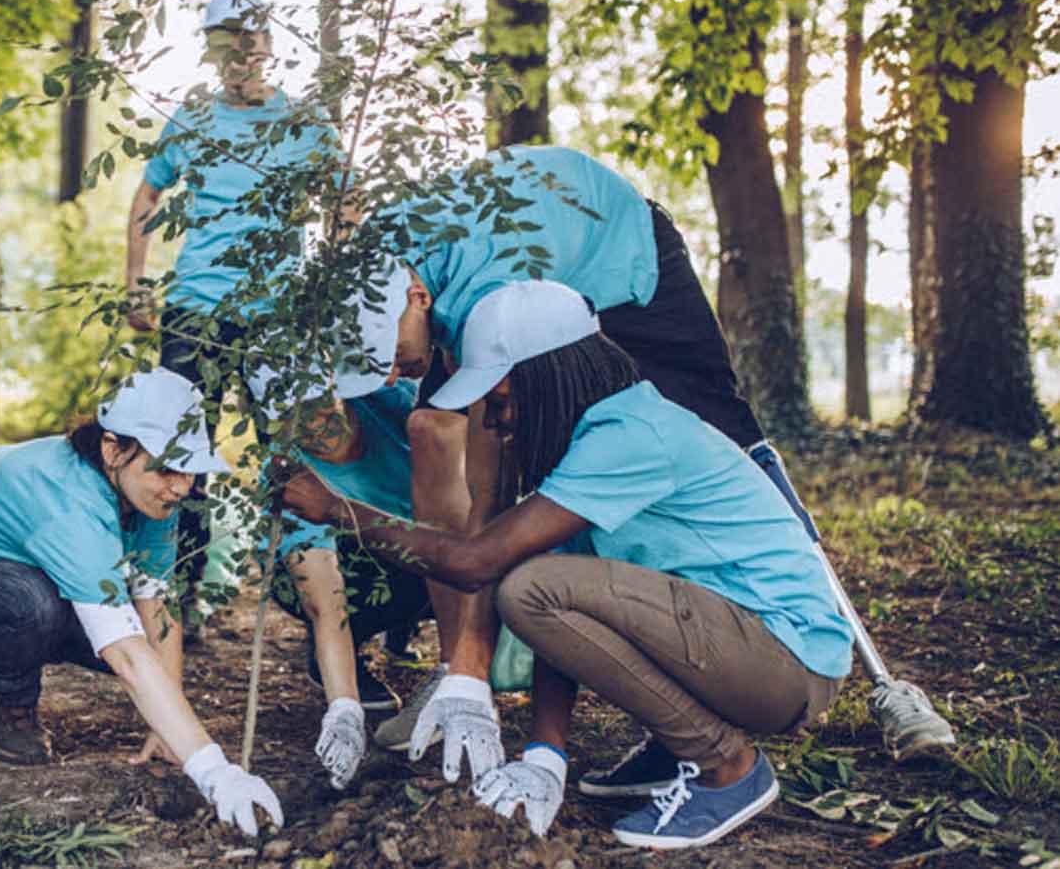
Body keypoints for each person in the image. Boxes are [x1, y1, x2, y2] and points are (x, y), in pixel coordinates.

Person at [338, 144, 952, 771]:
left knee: (719, 424)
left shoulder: (492, 290)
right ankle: (454, 674)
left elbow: (491, 493)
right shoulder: (374, 268)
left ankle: (843, 662)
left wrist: (475, 655)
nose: (389, 372)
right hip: (513, 260)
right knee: (433, 428)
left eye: (388, 355)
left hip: (620, 251)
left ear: (416, 298)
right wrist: (473, 684)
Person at [283, 281, 853, 848]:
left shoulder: (628, 436)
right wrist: (544, 756)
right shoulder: (592, 442)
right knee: (541, 583)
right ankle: (678, 744)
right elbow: (560, 616)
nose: (494, 424)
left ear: (546, 377)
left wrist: (338, 510)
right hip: (745, 651)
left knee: (529, 586)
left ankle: (727, 768)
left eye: (500, 402)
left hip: (785, 663)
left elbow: (478, 564)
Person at [0, 369, 283, 837]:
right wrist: (214, 772)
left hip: (14, 564)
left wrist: (169, 730)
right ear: (113, 449)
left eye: (190, 469)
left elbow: (157, 608)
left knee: (131, 648)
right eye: (168, 467)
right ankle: (9, 708)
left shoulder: (150, 497)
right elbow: (127, 654)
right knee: (34, 604)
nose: (182, 485)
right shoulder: (69, 505)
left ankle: (7, 637)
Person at [125, 0, 343, 628]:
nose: (242, 49)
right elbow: (147, 194)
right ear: (213, 50)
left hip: (278, 315)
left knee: (296, 458)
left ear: (271, 44)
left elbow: (344, 203)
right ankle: (178, 603)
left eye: (252, 37)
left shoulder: (305, 123)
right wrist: (138, 282)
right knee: (181, 454)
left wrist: (332, 291)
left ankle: (318, 618)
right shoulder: (191, 118)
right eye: (227, 39)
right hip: (195, 310)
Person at [268, 381, 432, 788]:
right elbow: (328, 601)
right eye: (294, 413)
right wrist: (344, 708)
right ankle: (334, 662)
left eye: (322, 402)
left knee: (444, 554)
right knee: (395, 571)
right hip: (359, 571)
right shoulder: (292, 475)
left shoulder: (389, 403)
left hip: (426, 545)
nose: (316, 420)